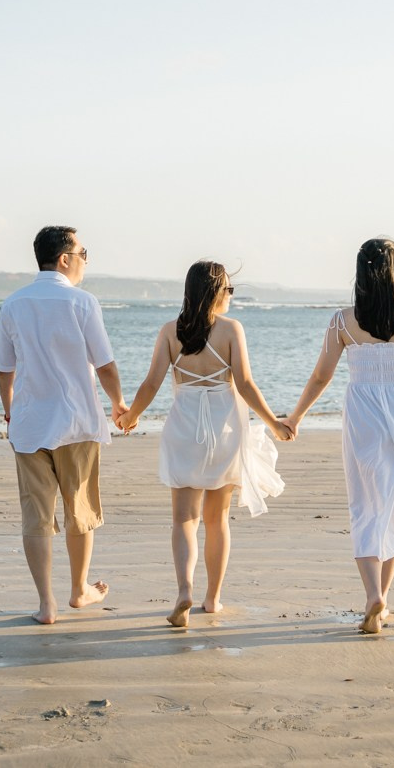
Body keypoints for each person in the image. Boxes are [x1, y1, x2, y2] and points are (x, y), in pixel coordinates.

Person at [285, 238, 394, 634]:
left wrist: (295, 417)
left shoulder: (342, 321)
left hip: (364, 414)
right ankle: (383, 596)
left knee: (366, 503)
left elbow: (321, 376)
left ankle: (372, 595)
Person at [118, 261, 294, 627]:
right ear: (214, 292)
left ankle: (185, 590)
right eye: (228, 289)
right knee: (217, 520)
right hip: (224, 429)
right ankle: (212, 598)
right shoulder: (231, 330)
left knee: (184, 519)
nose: (231, 295)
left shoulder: (170, 331)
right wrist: (273, 423)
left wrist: (131, 415)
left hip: (184, 428)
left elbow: (151, 383)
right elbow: (245, 384)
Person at [0, 225, 128, 624]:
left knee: (35, 515)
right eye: (83, 253)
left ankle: (46, 604)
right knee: (80, 509)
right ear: (64, 258)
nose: (85, 261)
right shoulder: (82, 302)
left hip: (30, 424)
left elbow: (5, 369)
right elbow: (104, 364)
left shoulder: (13, 303)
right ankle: (79, 589)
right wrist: (119, 404)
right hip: (76, 422)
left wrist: (10, 411)